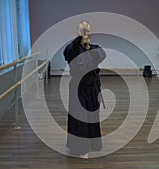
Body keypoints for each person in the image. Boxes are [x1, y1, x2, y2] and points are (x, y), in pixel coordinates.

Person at [63, 21, 106, 159]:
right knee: (80, 118)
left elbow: (101, 54)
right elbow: (70, 52)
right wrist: (81, 41)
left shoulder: (95, 48)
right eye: (82, 30)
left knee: (93, 116)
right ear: (78, 33)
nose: (85, 32)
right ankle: (80, 149)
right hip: (78, 87)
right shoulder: (72, 48)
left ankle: (94, 143)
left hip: (93, 87)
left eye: (88, 29)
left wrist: (87, 47)